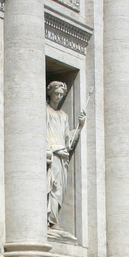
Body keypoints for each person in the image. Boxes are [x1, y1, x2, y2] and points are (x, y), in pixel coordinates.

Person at [45, 81, 85, 229]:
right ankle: (49, 221)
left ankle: (53, 220)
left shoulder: (63, 116)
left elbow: (68, 140)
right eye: (56, 94)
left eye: (61, 95)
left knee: (59, 190)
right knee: (52, 187)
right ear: (50, 93)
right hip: (52, 154)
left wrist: (80, 126)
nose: (59, 97)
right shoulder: (45, 111)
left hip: (62, 157)